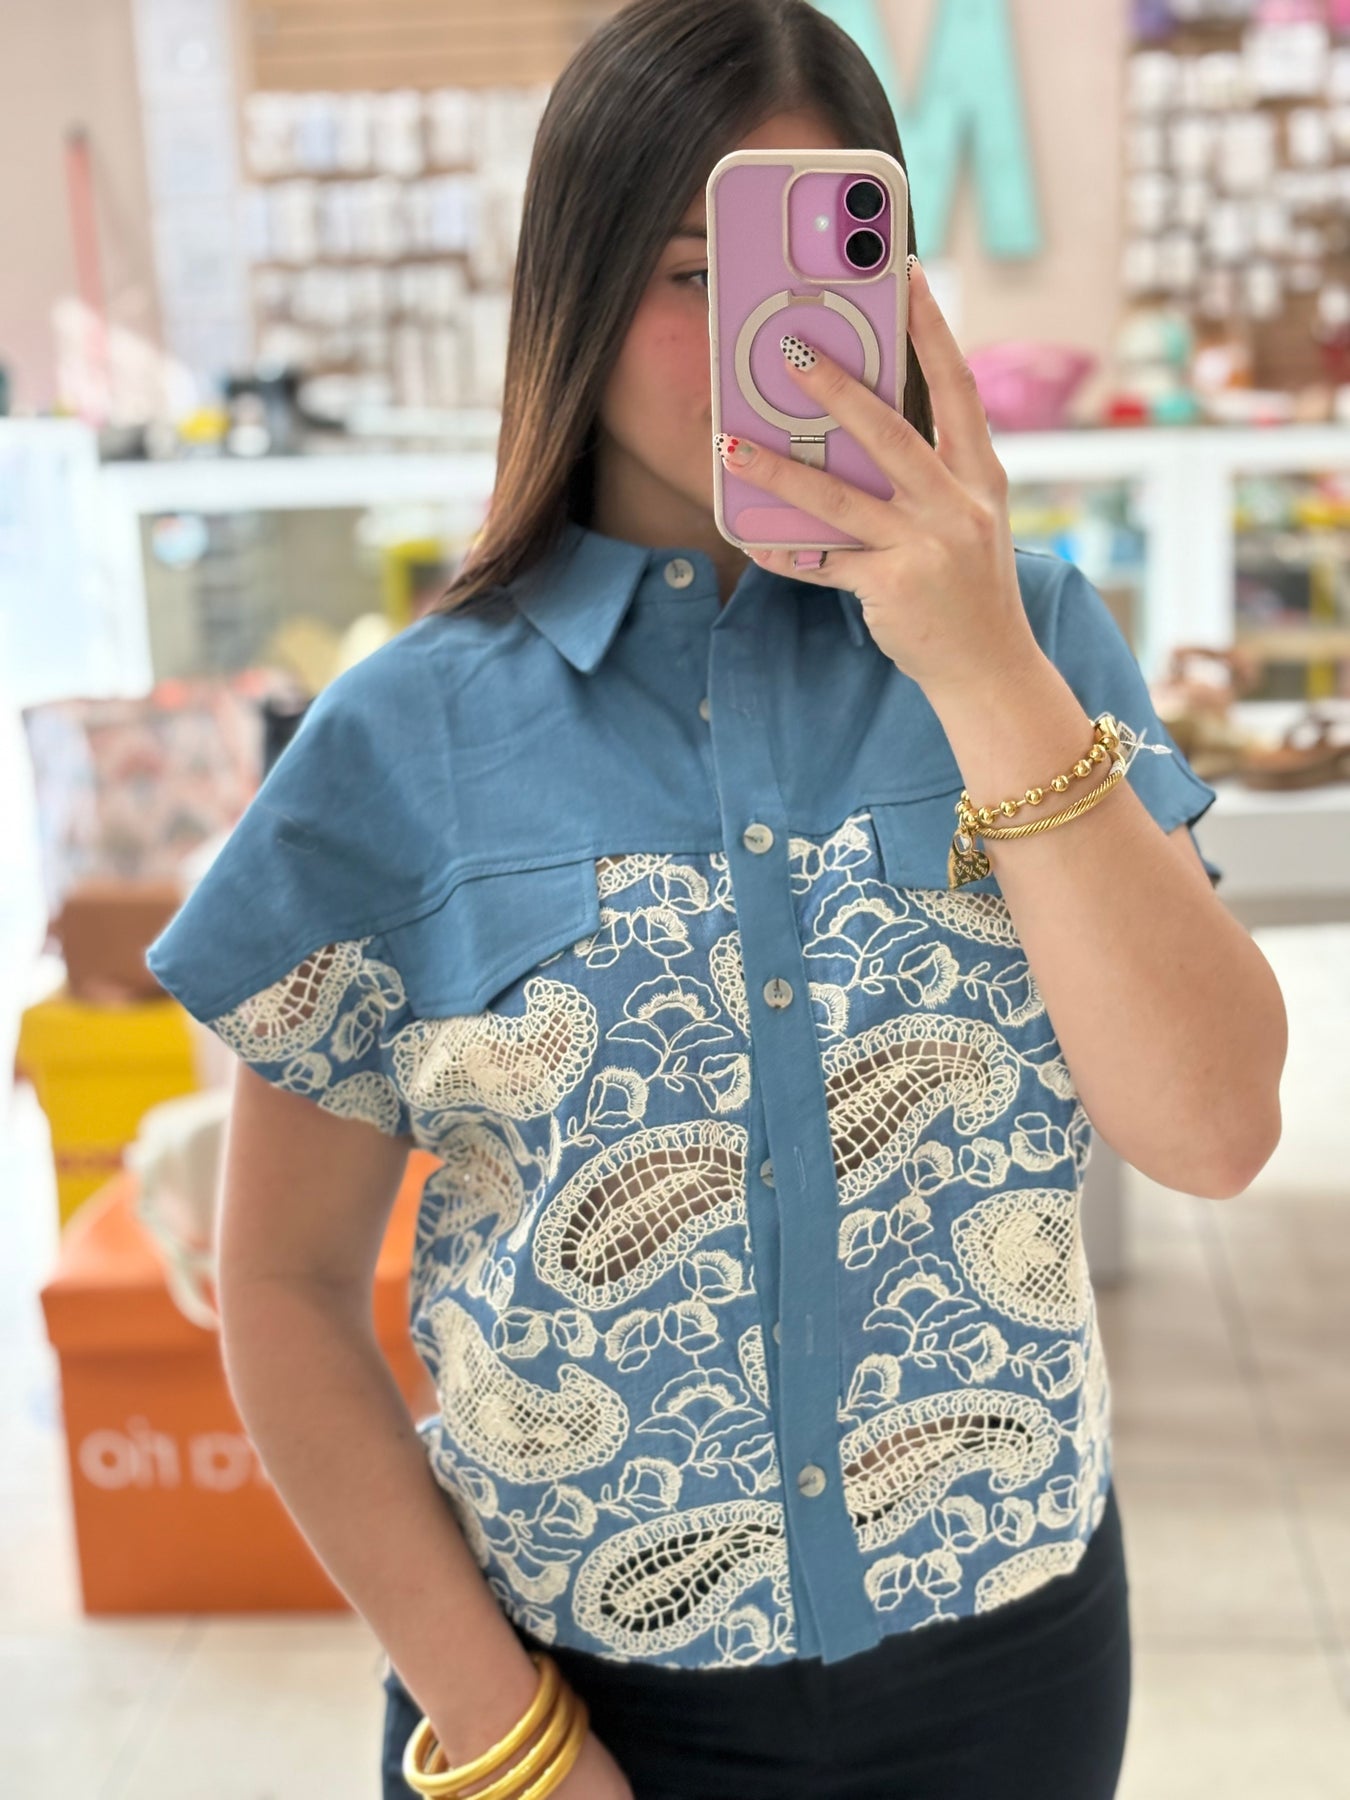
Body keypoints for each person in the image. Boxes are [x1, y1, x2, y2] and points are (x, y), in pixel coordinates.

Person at [145, 3, 1288, 1796]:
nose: (778, 339)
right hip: (573, 1696)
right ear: (577, 289)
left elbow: (1211, 1131)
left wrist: (980, 664)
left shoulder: (1033, 640)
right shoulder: (403, 733)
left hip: (1009, 1670)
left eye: (827, 267)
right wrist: (511, 1738)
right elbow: (281, 1287)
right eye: (694, 271)